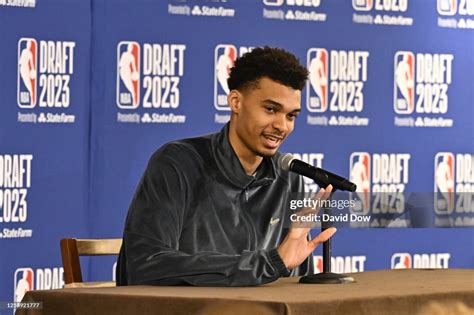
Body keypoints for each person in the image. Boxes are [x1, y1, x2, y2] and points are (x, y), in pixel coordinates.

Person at [116, 46, 336, 286]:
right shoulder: (177, 164)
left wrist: (278, 264)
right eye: (271, 109)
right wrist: (268, 264)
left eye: (291, 116)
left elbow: (295, 283)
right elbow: (144, 266)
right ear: (235, 102)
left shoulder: (289, 177)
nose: (282, 126)